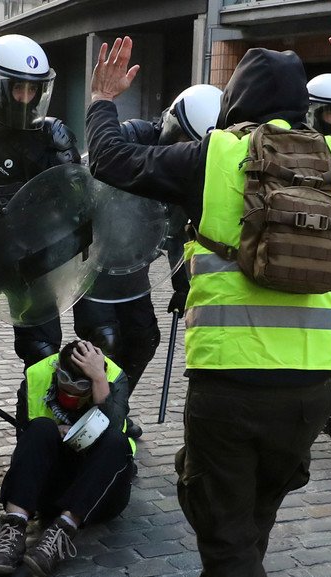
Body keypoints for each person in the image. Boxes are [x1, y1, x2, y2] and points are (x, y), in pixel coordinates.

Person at [85, 7, 331, 577]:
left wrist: (103, 100)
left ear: (236, 101)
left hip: (229, 383)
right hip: (311, 386)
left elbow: (111, 160)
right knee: (249, 522)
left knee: (226, 535)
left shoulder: (210, 156)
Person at [72, 83, 221, 398]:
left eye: (192, 145)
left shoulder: (193, 169)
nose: (184, 149)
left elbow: (182, 228)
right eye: (181, 139)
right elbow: (86, 181)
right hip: (95, 264)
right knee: (103, 341)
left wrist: (183, 285)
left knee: (144, 339)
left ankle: (115, 407)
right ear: (170, 125)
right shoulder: (131, 138)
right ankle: (84, 413)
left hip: (134, 267)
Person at [0, 34, 80, 376]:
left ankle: (36, 427)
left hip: (29, 265)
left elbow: (78, 205)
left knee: (43, 355)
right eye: (17, 89)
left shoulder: (51, 137)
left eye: (33, 90)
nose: (26, 98)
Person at [0, 340, 136, 577]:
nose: (72, 397)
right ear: (57, 372)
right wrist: (56, 429)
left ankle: (60, 534)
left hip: (99, 490)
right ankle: (13, 528)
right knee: (41, 427)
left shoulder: (114, 377)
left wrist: (98, 380)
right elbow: (26, 441)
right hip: (50, 485)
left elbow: (112, 427)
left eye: (80, 392)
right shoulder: (38, 375)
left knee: (117, 441)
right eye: (66, 388)